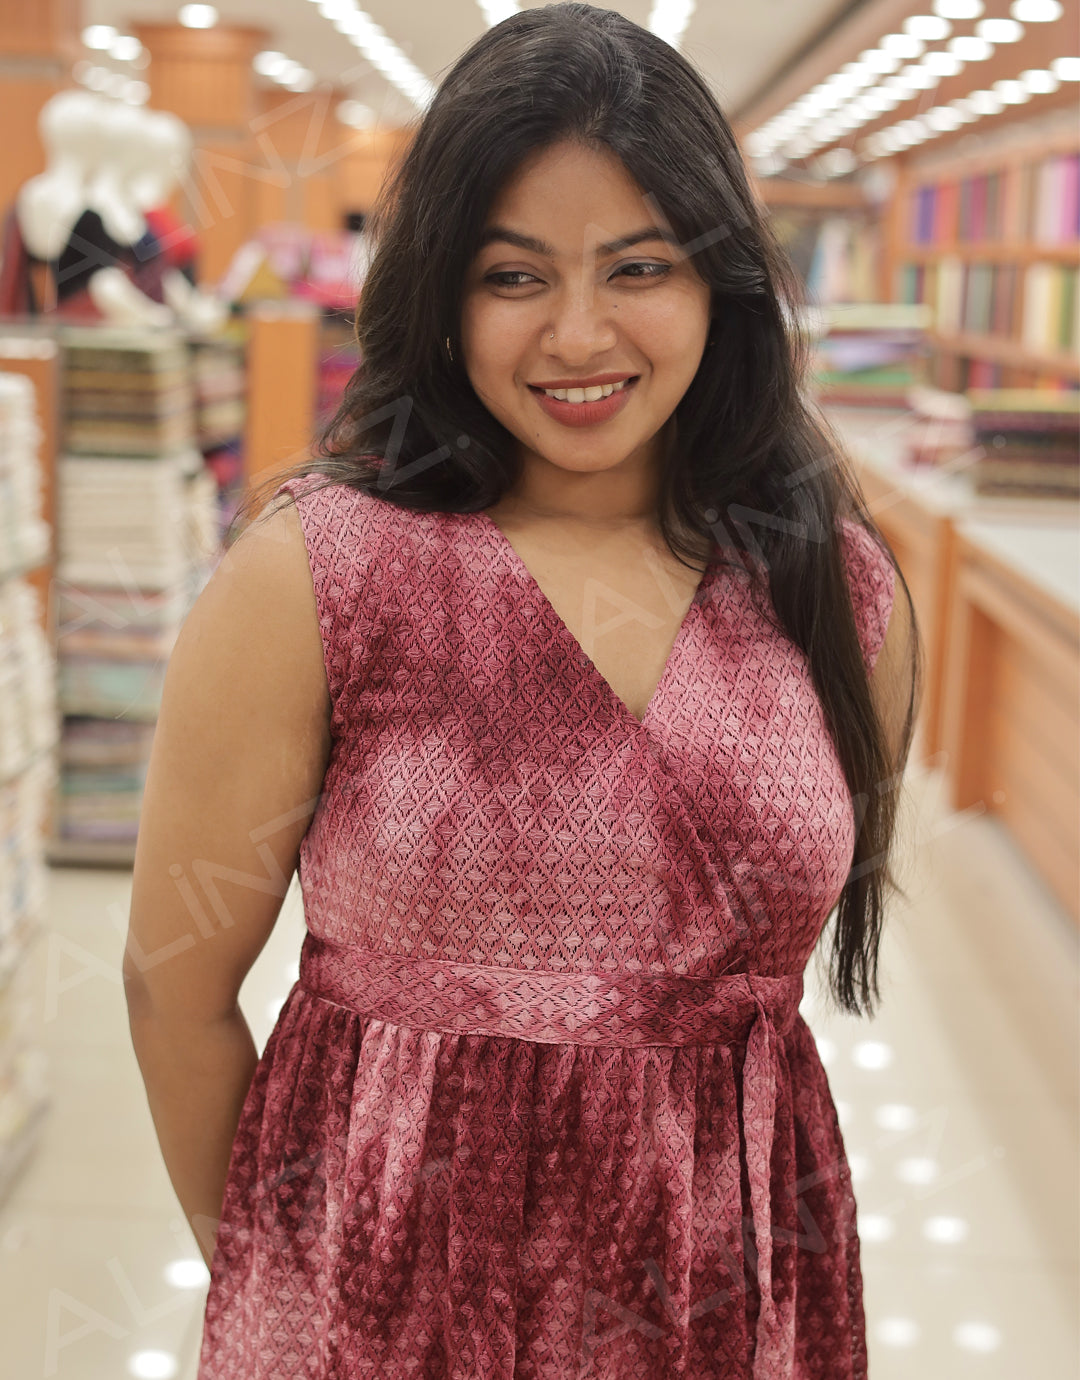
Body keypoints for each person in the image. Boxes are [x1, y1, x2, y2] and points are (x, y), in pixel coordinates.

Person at [124, 5, 922, 1377]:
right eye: (513, 276)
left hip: (725, 1310)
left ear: (720, 280)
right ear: (442, 291)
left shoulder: (835, 589)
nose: (578, 333)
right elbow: (171, 988)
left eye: (639, 267)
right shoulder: (321, 576)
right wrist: (290, 1278)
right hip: (383, 1324)